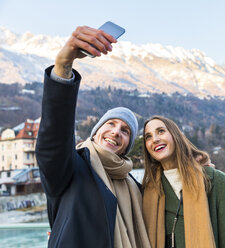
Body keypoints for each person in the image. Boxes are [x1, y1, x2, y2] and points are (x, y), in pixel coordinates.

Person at [36, 26, 151, 248]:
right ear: (96, 132)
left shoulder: (135, 185)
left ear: (127, 145)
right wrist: (63, 65)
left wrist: (196, 165)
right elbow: (54, 139)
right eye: (110, 124)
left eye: (125, 131)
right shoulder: (71, 168)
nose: (116, 131)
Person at [142, 115, 225, 248]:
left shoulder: (218, 182)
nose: (155, 139)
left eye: (161, 131)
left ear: (175, 135)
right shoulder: (148, 191)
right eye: (148, 136)